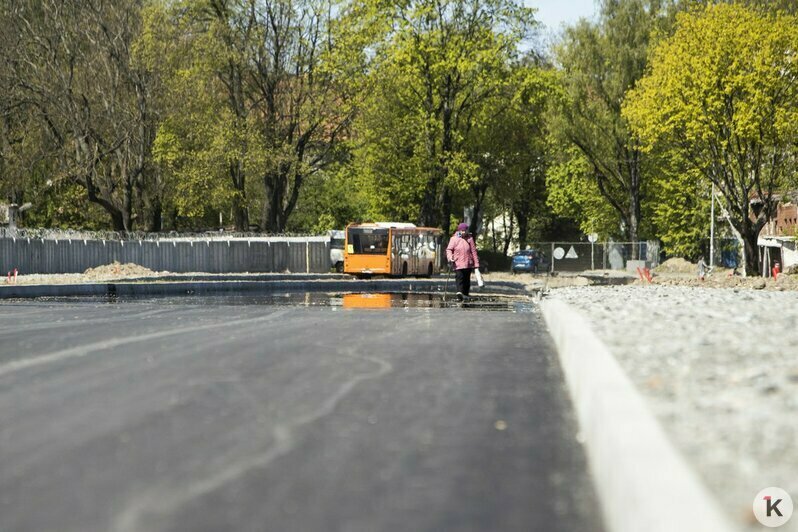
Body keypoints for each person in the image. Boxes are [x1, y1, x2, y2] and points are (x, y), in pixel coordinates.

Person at [446, 222, 480, 300]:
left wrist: (476, 264)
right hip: (458, 263)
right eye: (462, 231)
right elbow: (449, 250)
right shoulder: (454, 239)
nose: (464, 232)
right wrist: (450, 257)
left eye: (465, 230)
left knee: (467, 280)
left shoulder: (470, 239)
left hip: (468, 263)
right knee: (460, 278)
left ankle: (465, 294)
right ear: (459, 231)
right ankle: (459, 293)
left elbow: (473, 251)